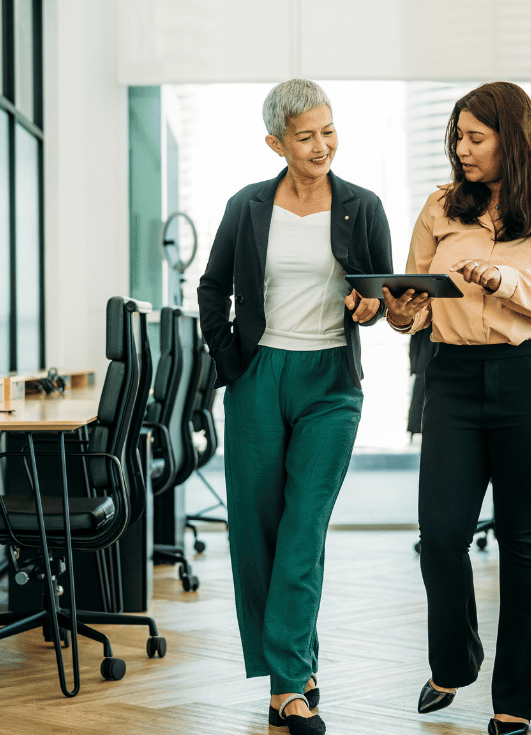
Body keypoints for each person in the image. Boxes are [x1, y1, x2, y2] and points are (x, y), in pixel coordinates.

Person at [384, 82, 531, 735]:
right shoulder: (441, 207)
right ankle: (453, 663)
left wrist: (506, 279)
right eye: (457, 137)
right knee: (441, 538)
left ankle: (517, 700)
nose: (462, 149)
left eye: (476, 138)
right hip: (453, 378)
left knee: (522, 541)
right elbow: (415, 297)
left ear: (515, 138)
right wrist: (399, 312)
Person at [197, 79, 393, 735]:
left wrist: (372, 306)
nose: (321, 146)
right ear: (275, 142)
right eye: (305, 136)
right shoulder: (248, 205)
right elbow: (213, 285)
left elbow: (382, 295)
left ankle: (288, 686)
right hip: (259, 374)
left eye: (329, 130)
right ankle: (294, 670)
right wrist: (231, 364)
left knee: (303, 527)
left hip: (331, 383)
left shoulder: (362, 206)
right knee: (257, 531)